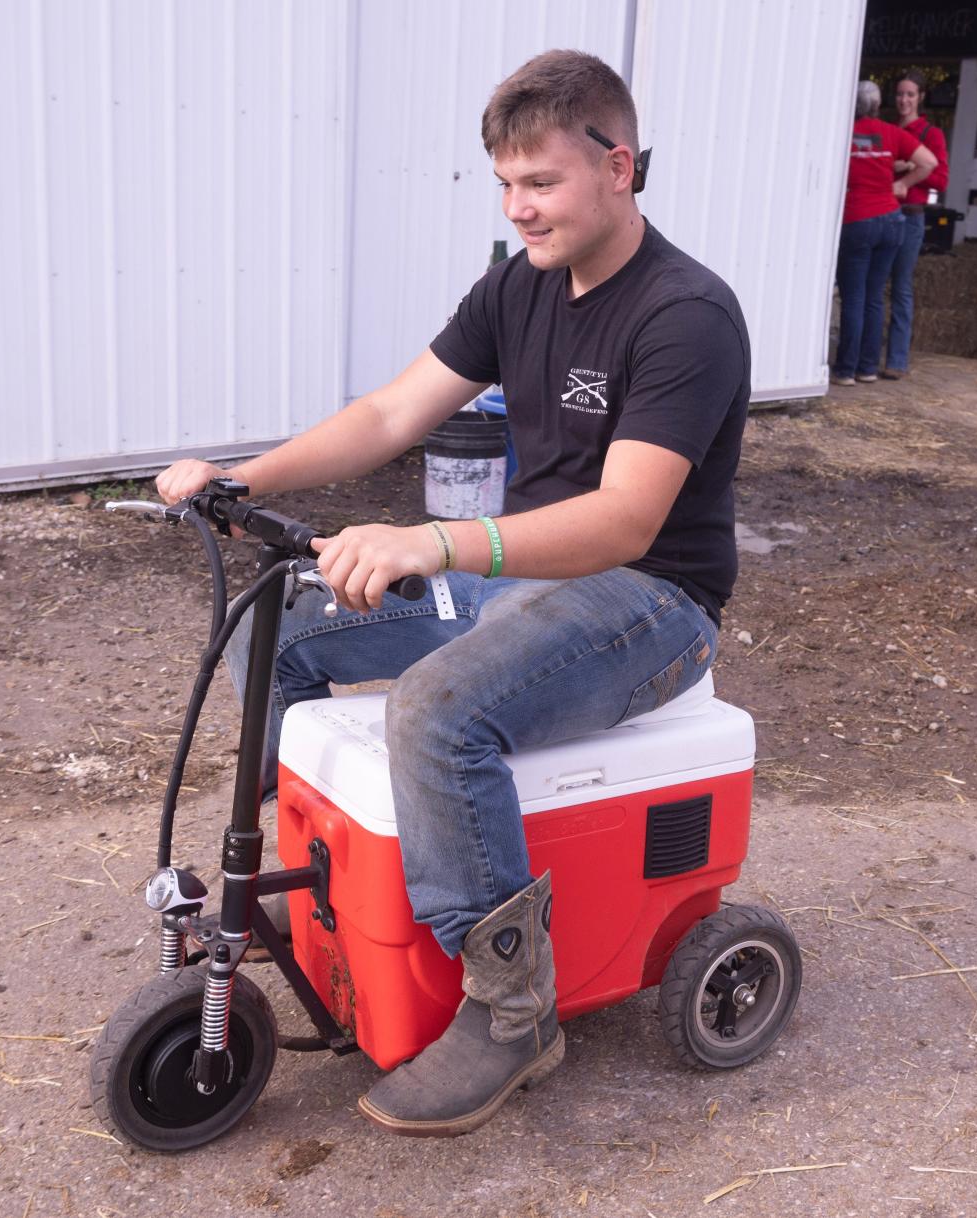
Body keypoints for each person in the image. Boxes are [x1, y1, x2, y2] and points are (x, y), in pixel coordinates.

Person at [155, 49, 750, 1138]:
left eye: (542, 184)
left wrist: (437, 542)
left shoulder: (686, 313)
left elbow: (626, 520)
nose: (520, 209)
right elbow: (391, 414)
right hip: (527, 580)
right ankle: (297, 886)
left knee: (435, 711)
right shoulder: (518, 284)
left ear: (619, 166)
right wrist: (242, 475)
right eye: (505, 186)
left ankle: (513, 1009)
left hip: (649, 603)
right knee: (278, 625)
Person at [832, 80, 936, 386]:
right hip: (891, 220)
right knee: (875, 297)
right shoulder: (892, 133)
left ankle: (845, 370)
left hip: (858, 219)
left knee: (853, 297)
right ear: (878, 105)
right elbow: (929, 162)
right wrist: (903, 185)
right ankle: (867, 368)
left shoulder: (844, 133)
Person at [883, 70, 949, 379]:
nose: (904, 100)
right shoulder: (888, 129)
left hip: (910, 214)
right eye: (899, 94)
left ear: (920, 97)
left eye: (910, 94)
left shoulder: (930, 135)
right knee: (873, 289)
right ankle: (869, 358)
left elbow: (941, 177)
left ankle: (897, 360)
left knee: (901, 288)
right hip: (884, 214)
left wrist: (910, 166)